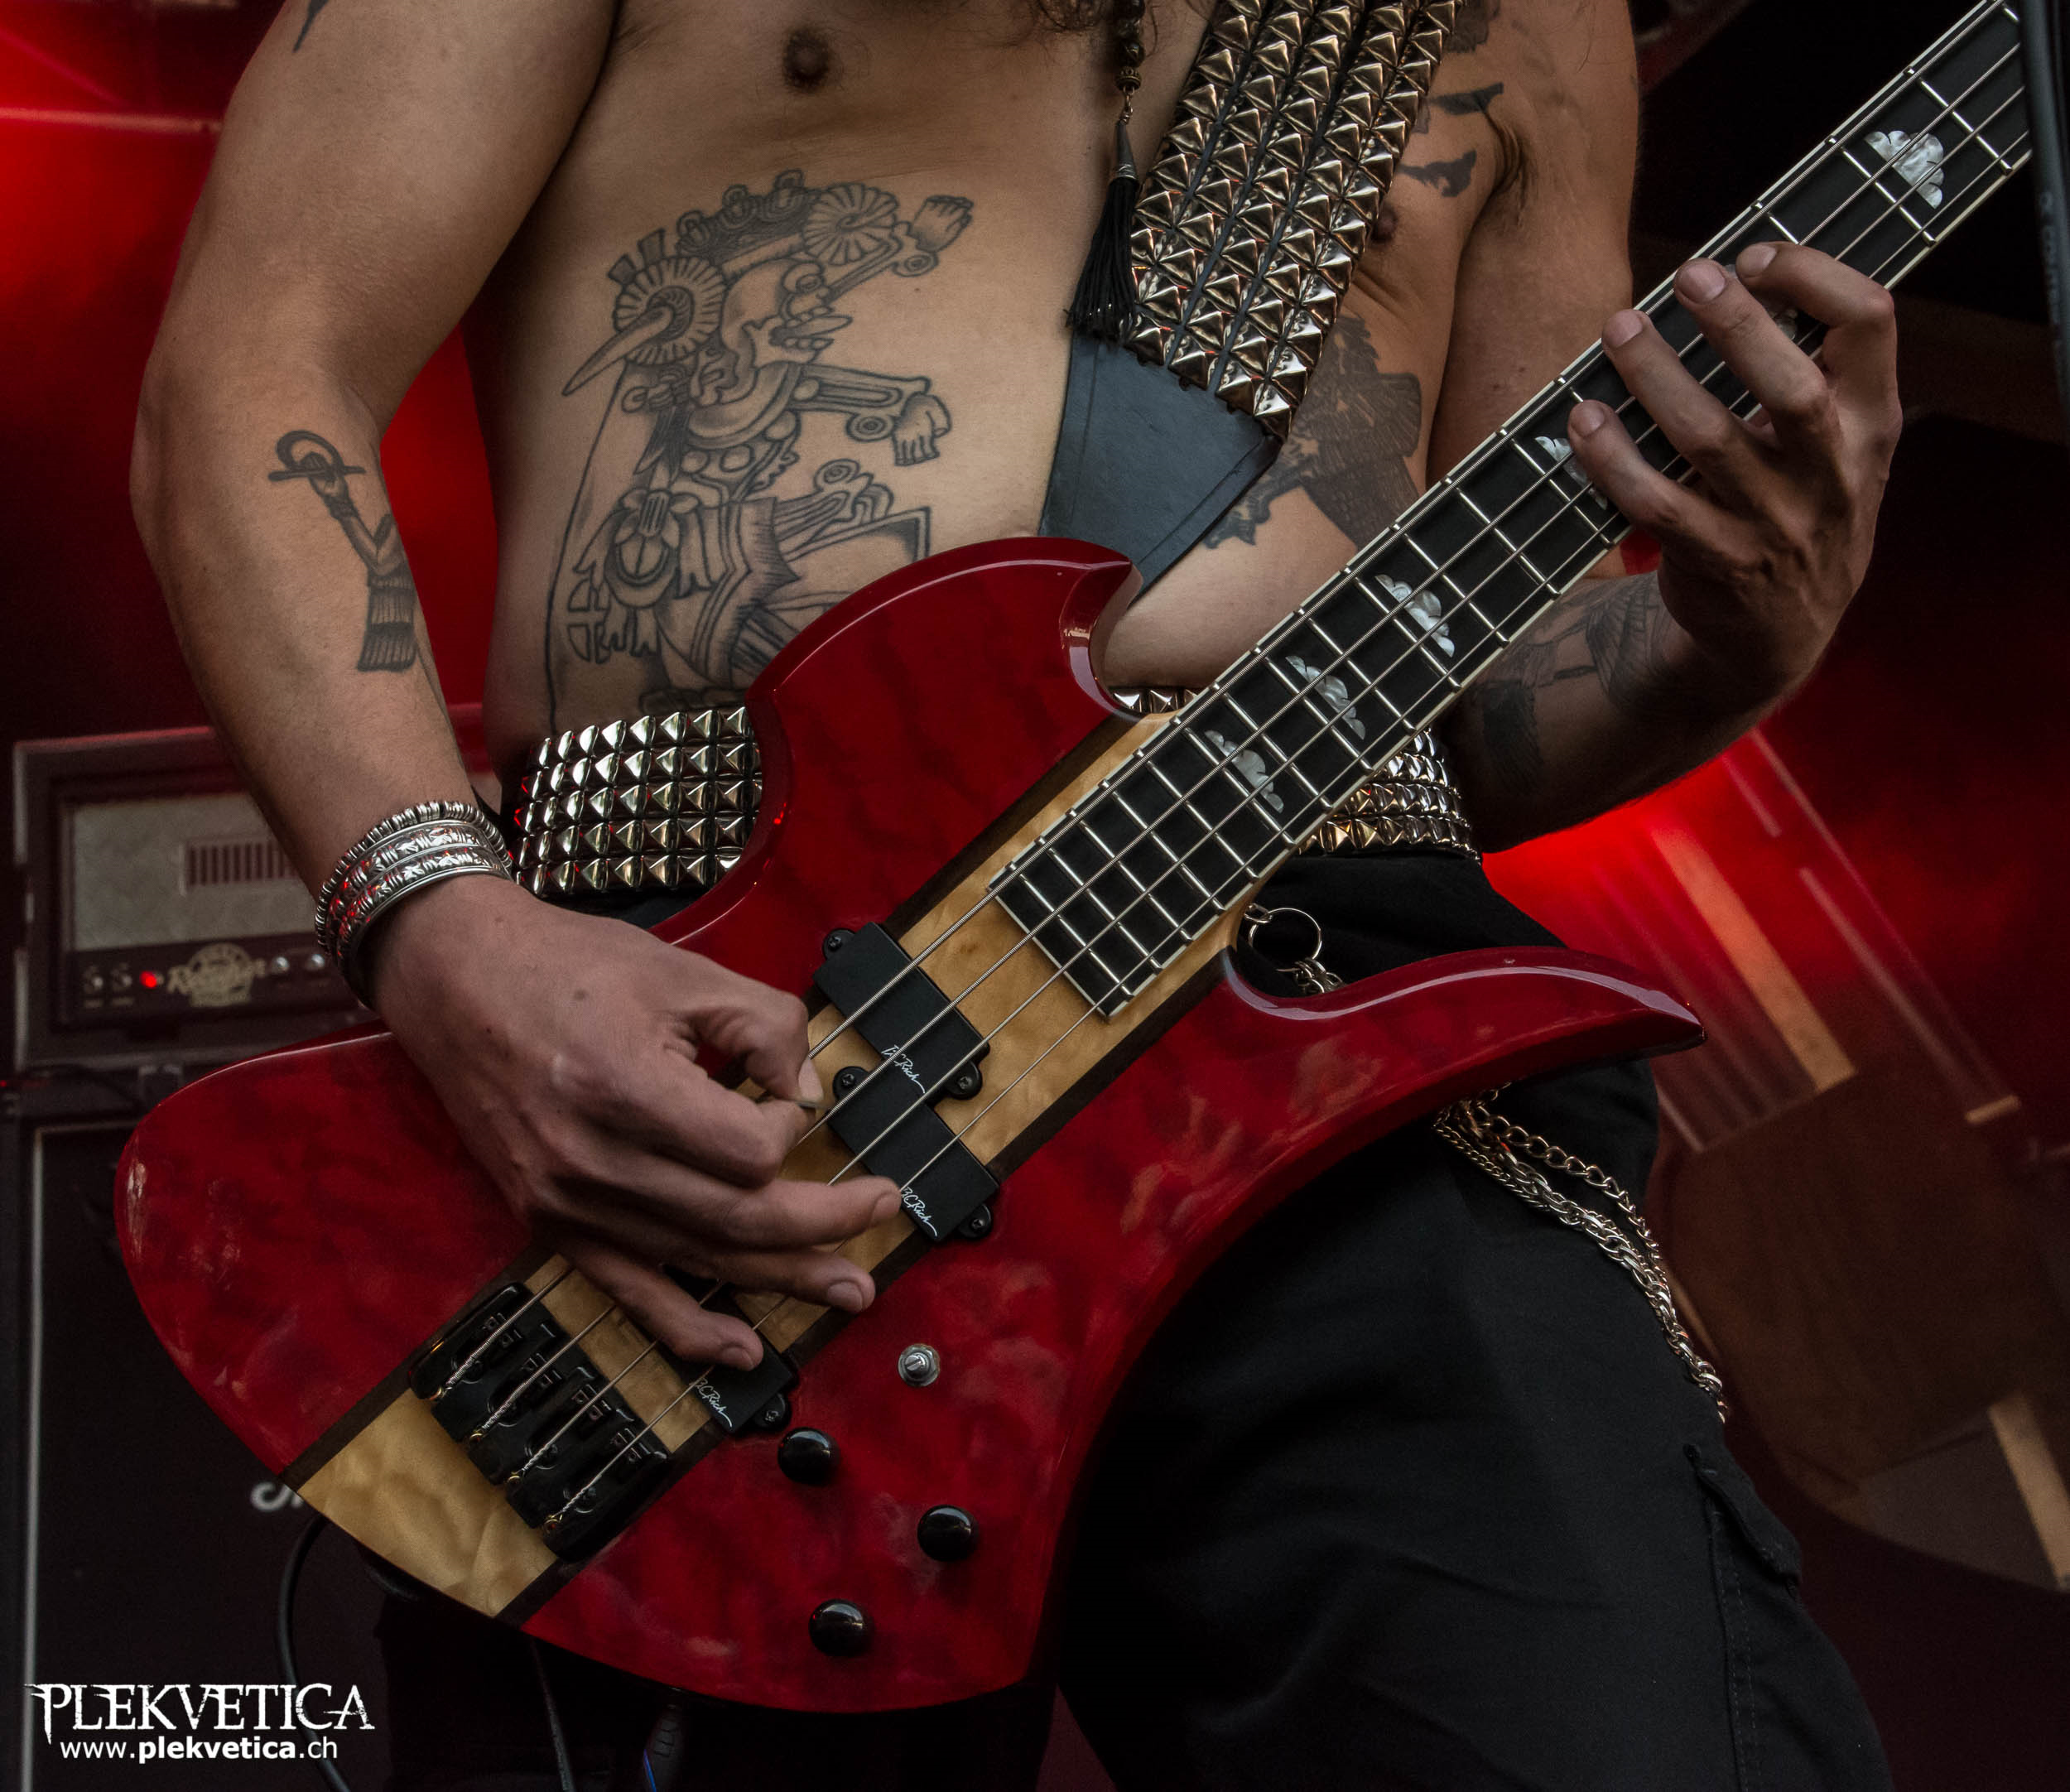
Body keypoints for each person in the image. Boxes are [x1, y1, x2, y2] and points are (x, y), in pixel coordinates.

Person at [131, 0, 1904, 1785]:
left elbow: (1489, 681)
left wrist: (1736, 631)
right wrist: (445, 926)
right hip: (735, 1017)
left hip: (1326, 1026)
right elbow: (256, 372)